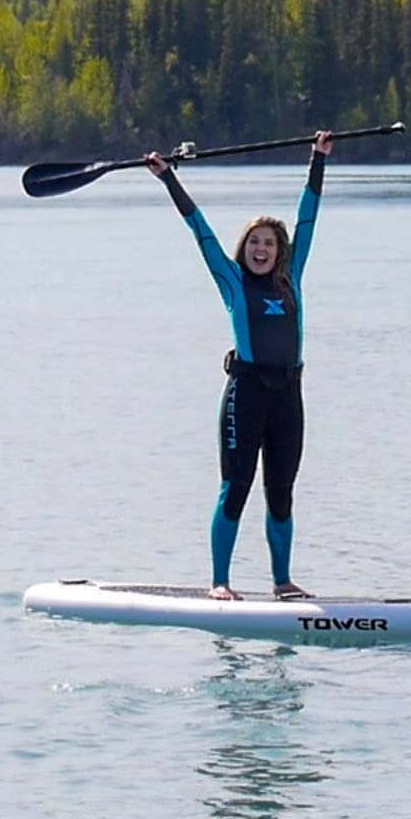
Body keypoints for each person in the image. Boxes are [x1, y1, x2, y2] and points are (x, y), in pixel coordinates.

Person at [145, 130, 335, 601]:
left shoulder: (292, 278)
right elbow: (200, 230)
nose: (261, 249)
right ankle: (220, 582)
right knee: (235, 488)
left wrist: (318, 159)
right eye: (254, 242)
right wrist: (169, 179)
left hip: (288, 396)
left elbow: (308, 218)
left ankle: (282, 582)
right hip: (246, 395)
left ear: (280, 250)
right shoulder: (231, 281)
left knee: (282, 493)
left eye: (269, 243)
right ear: (244, 248)